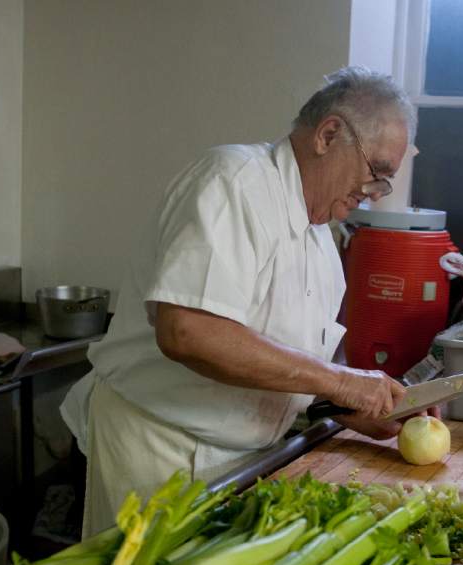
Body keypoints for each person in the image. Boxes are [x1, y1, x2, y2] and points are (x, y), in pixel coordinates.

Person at [61, 66, 434, 537]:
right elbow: (187, 331)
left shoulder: (321, 240)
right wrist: (340, 381)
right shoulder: (234, 182)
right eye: (377, 173)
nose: (375, 195)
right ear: (329, 134)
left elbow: (291, 368)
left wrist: (353, 410)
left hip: (241, 461)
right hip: (162, 452)